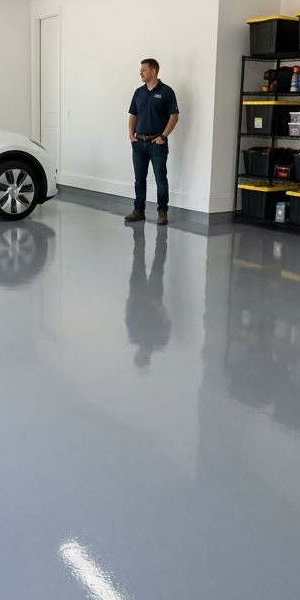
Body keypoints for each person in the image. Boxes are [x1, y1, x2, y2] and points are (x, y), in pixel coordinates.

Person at [126, 58, 179, 226]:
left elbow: (174, 116)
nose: (140, 73)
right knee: (139, 179)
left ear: (153, 71)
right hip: (138, 143)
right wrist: (131, 135)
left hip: (157, 144)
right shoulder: (138, 92)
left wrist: (163, 136)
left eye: (143, 70)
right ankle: (138, 211)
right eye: (140, 70)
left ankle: (162, 213)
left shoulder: (166, 92)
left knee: (160, 179)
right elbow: (133, 115)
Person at [125, 222, 170, 369]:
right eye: (142, 359)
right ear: (147, 359)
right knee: (158, 263)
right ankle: (162, 236)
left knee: (138, 262)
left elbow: (128, 318)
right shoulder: (159, 343)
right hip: (153, 299)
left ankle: (139, 234)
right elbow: (166, 324)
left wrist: (129, 300)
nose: (140, 355)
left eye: (138, 358)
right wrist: (159, 307)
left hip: (137, 296)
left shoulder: (134, 337)